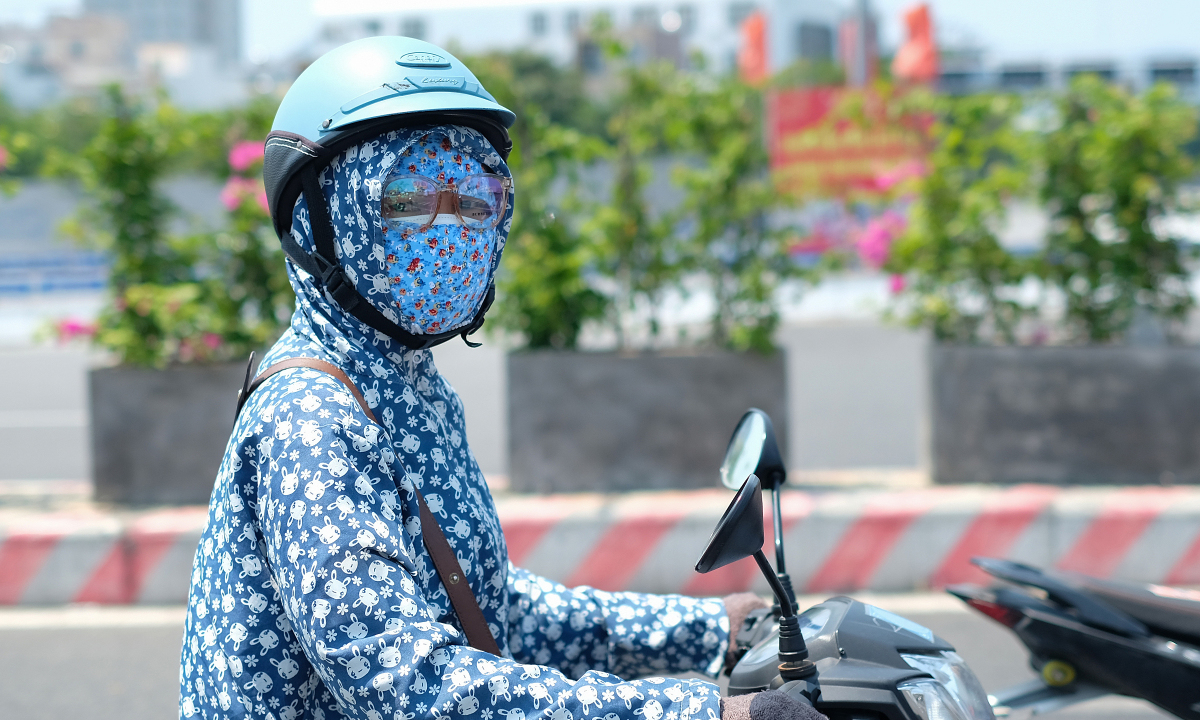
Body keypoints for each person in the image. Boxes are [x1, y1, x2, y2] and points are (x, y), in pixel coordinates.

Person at [178, 37, 822, 720]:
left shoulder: (403, 389)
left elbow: (482, 601)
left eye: (474, 197)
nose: (449, 230)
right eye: (408, 198)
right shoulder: (312, 418)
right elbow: (408, 682)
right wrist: (701, 713)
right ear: (317, 219)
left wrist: (707, 628)